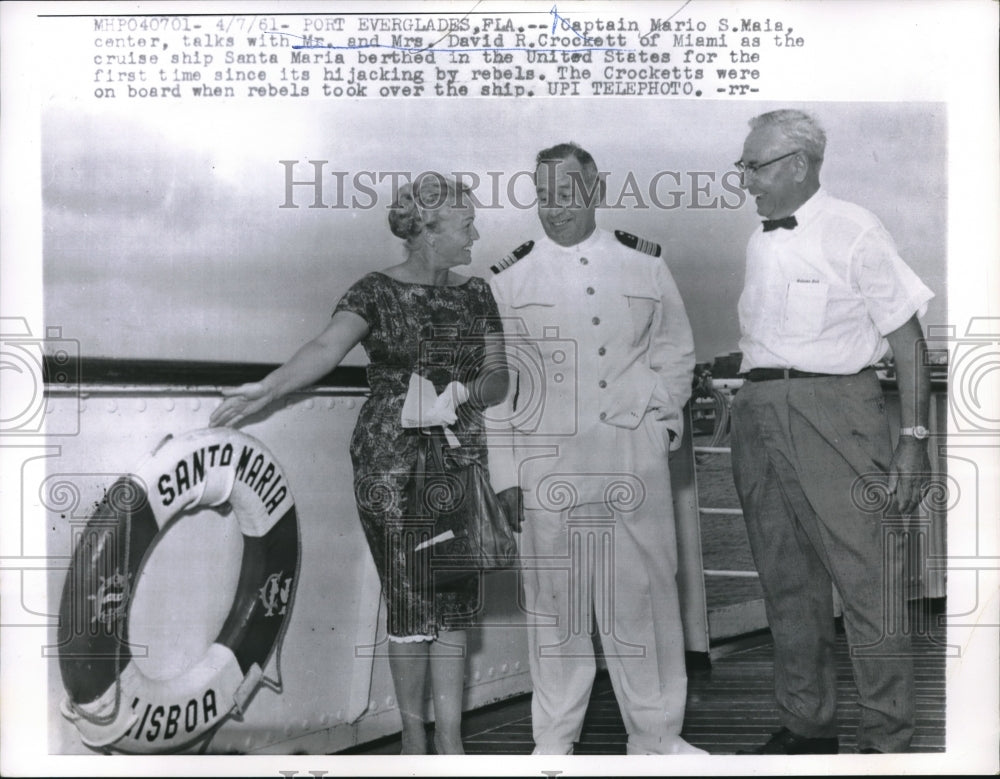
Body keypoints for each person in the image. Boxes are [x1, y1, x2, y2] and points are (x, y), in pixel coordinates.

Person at [209, 173, 510, 755]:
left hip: (457, 452)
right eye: (466, 223)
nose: (476, 232)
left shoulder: (477, 293)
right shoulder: (375, 290)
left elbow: (499, 376)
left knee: (451, 598)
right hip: (391, 459)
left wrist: (465, 393)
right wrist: (266, 391)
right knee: (410, 594)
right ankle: (415, 740)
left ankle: (451, 742)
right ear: (428, 231)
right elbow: (325, 348)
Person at [487, 142, 705, 755]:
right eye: (544, 196)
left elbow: (675, 351)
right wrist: (505, 473)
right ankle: (553, 744)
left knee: (646, 597)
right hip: (546, 461)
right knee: (556, 607)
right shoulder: (509, 278)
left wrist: (659, 422)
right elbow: (499, 383)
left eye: (568, 194)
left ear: (595, 189)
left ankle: (658, 738)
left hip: (630, 455)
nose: (554, 210)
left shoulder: (645, 265)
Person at [729, 109, 934, 754]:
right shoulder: (759, 238)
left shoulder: (854, 229)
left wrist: (914, 439)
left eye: (753, 166)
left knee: (871, 585)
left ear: (798, 164)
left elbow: (907, 340)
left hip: (837, 415)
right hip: (760, 413)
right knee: (786, 581)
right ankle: (806, 727)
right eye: (743, 167)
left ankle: (887, 745)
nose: (745, 180)